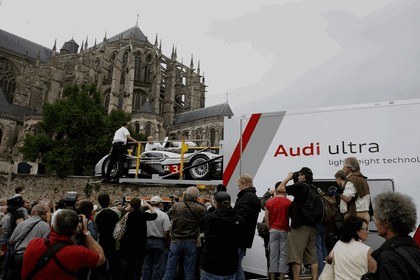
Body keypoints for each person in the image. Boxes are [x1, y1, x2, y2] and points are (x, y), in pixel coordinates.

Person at [21, 209, 106, 280]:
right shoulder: (77, 253)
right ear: (76, 230)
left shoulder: (33, 243)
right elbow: (101, 258)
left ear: (52, 226)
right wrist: (86, 232)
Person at [277, 167, 318, 280]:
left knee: (295, 256)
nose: (298, 176)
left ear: (304, 177)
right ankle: (315, 278)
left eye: (299, 175)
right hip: (312, 226)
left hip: (300, 226)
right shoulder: (314, 188)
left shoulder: (301, 186)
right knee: (312, 257)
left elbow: (280, 188)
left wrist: (289, 177)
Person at [371, 192, 420, 280]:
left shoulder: (388, 257)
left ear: (386, 223)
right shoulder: (415, 251)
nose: (374, 222)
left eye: (375, 218)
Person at [163, 186, 207, 280]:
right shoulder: (200, 208)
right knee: (189, 271)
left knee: (170, 270)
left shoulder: (176, 206)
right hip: (191, 241)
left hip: (176, 241)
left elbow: (170, 215)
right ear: (196, 197)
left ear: (186, 194)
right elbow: (204, 217)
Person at [200, 191, 239, 280]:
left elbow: (201, 226)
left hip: (211, 264)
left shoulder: (209, 218)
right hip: (230, 265)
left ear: (215, 203)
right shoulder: (236, 218)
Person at [7, 204, 51, 280]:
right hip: (34, 257)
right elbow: (46, 243)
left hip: (19, 255)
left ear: (33, 211)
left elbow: (11, 240)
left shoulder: (22, 223)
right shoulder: (45, 226)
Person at [120, 198, 157, 280]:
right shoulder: (143, 214)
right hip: (140, 244)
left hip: (128, 244)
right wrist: (149, 206)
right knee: (138, 268)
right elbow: (154, 215)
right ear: (140, 205)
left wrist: (129, 206)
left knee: (128, 267)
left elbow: (123, 211)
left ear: (131, 205)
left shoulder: (127, 214)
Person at [233, 174, 261, 280]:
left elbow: (241, 218)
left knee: (235, 266)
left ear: (245, 183)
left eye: (239, 185)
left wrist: (232, 217)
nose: (238, 188)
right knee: (237, 264)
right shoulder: (254, 197)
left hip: (239, 237)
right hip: (246, 237)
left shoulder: (245, 197)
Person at [265, 187, 292, 280]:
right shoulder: (289, 202)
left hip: (273, 230)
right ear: (285, 192)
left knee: (273, 255)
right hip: (284, 230)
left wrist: (270, 229)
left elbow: (267, 218)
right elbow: (292, 217)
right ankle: (281, 278)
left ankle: (272, 278)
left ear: (276, 191)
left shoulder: (269, 202)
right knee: (283, 255)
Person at [142, 196, 170, 280]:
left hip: (146, 241)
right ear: (160, 204)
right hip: (159, 241)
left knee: (146, 265)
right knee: (158, 265)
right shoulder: (164, 215)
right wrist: (166, 241)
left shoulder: (145, 214)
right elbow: (166, 231)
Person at [94, 193, 120, 280]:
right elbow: (119, 227)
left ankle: (102, 276)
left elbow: (96, 228)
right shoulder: (116, 213)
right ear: (109, 201)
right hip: (113, 240)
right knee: (113, 260)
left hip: (102, 239)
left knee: (103, 260)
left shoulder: (97, 215)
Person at [338, 157, 371, 222]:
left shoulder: (351, 180)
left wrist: (337, 193)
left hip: (355, 216)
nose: (343, 169)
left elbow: (347, 199)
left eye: (344, 166)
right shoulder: (362, 179)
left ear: (349, 168)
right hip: (365, 214)